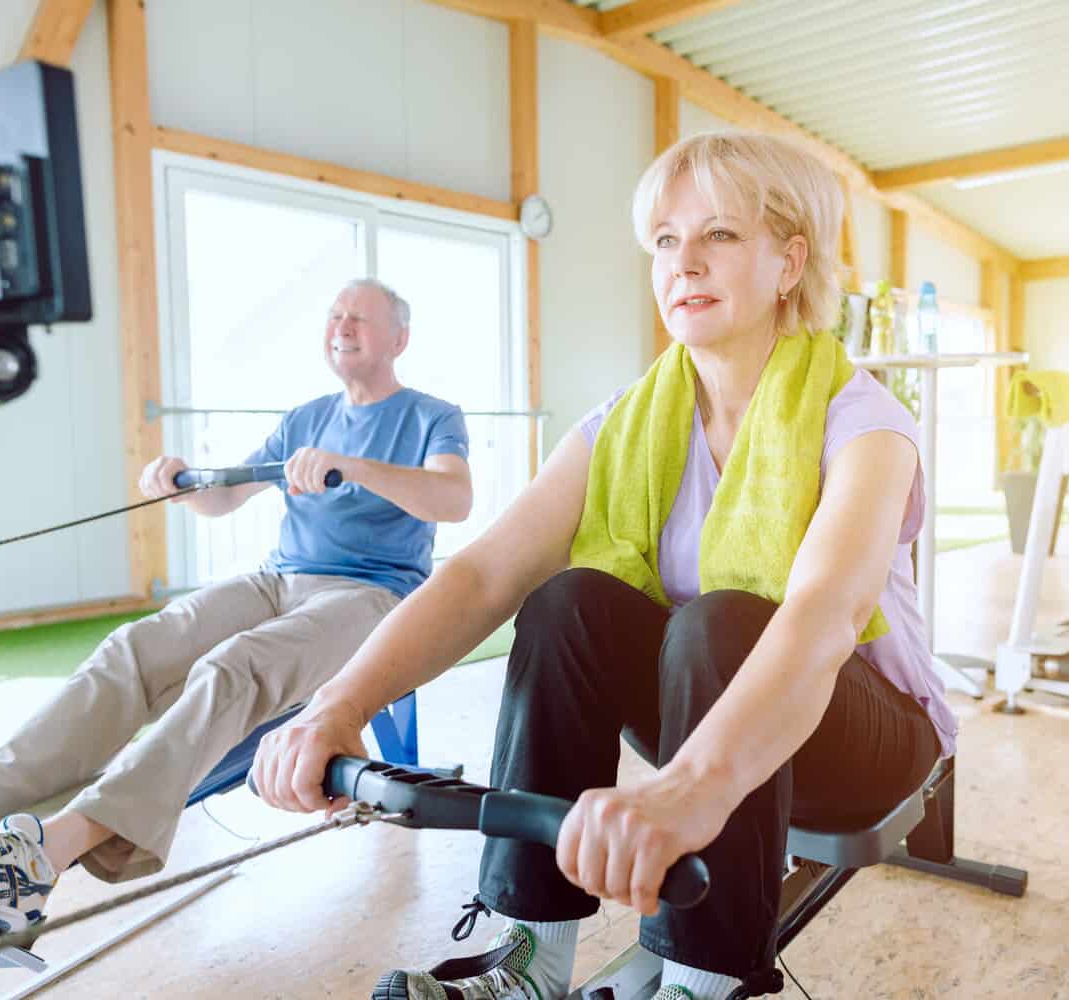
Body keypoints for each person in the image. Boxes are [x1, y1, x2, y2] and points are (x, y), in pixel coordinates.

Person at [252, 132, 957, 1000]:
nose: (683, 263)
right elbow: (483, 575)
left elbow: (822, 615)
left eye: (721, 236)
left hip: (859, 743)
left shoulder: (863, 423)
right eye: (666, 240)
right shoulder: (624, 423)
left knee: (727, 619)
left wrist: (689, 790)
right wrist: (338, 703)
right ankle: (527, 959)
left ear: (788, 263)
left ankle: (705, 979)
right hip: (705, 716)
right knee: (568, 601)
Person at [0, 279, 472, 932]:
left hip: (372, 593)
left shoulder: (431, 415)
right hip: (277, 579)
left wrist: (356, 467)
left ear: (398, 338)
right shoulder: (306, 416)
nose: (340, 325)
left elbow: (453, 501)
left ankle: (43, 856)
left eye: (359, 317)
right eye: (334, 314)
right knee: (131, 649)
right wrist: (179, 483)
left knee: (235, 666)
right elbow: (227, 497)